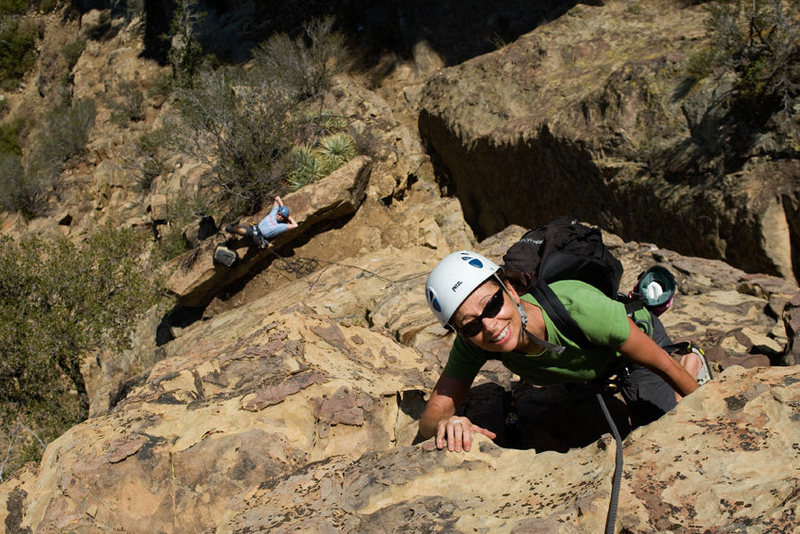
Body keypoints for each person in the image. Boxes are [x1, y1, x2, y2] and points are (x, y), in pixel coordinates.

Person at [419, 250, 710, 453]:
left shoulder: (580, 308)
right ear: (460, 332)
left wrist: (710, 412)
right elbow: (433, 412)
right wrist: (447, 422)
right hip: (585, 367)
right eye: (470, 325)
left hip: (631, 354)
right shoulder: (473, 341)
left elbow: (663, 366)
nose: (491, 326)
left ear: (510, 289)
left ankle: (691, 359)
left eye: (493, 304)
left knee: (665, 429)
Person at [225, 196, 298, 247]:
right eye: (280, 214)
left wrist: (288, 216)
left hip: (259, 237)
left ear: (284, 218)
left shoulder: (281, 226)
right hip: (255, 228)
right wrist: (282, 208)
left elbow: (295, 225)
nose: (280, 216)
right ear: (278, 212)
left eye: (283, 217)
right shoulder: (274, 212)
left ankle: (233, 228)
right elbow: (277, 198)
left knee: (251, 234)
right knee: (246, 230)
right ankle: (233, 230)